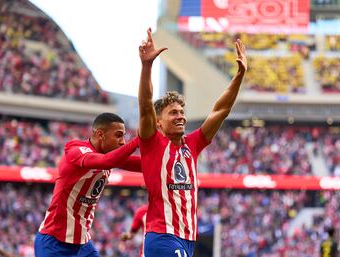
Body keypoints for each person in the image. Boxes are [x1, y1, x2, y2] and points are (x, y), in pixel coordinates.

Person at [137, 28, 247, 257]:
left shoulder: (192, 144)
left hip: (187, 238)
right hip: (164, 236)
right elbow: (146, 104)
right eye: (173, 113)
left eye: (181, 112)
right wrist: (147, 67)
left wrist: (239, 76)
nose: (180, 116)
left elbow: (221, 110)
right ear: (158, 122)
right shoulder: (152, 142)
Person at [34, 112, 141, 257]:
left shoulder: (110, 155)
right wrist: (138, 140)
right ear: (100, 134)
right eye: (118, 135)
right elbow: (106, 162)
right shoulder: (77, 149)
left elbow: (142, 164)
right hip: (54, 241)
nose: (122, 141)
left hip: (82, 243)